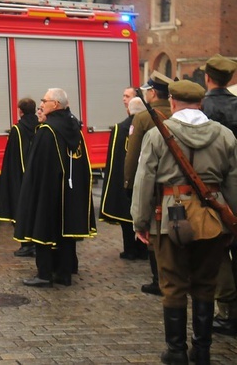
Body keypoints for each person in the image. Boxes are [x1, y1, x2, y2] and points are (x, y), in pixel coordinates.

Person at [131, 79, 237, 364]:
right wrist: (233, 222)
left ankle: (176, 351)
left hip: (169, 218)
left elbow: (144, 181)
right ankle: (202, 350)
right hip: (213, 219)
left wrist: (140, 222)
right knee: (205, 284)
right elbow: (234, 183)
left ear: (174, 102)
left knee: (173, 285)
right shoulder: (225, 135)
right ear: (200, 103)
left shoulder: (157, 135)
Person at [14, 88, 95, 288]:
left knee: (43, 228)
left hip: (49, 190)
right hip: (71, 190)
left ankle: (44, 274)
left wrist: (31, 193)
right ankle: (64, 273)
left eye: (45, 100)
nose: (41, 104)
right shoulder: (73, 127)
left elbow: (37, 169)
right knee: (66, 231)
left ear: (56, 105)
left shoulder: (47, 131)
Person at [125, 70, 174, 296]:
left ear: (153, 93)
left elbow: (133, 155)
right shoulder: (179, 114)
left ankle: (159, 279)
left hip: (155, 185)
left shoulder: (143, 118)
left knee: (155, 231)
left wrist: (128, 182)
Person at [200, 54, 237, 337]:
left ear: (207, 78)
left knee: (219, 249)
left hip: (215, 188)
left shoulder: (204, 108)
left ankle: (227, 312)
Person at [99, 92, 148, 261]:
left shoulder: (120, 128)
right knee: (143, 214)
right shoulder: (150, 127)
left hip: (125, 179)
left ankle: (129, 249)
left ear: (129, 110)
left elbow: (114, 160)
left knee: (126, 217)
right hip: (144, 179)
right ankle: (144, 248)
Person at [0, 97, 39, 257]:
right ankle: (35, 242)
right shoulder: (41, 126)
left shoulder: (18, 129)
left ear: (20, 110)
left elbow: (12, 157)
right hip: (36, 175)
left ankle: (26, 245)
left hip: (20, 177)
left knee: (19, 209)